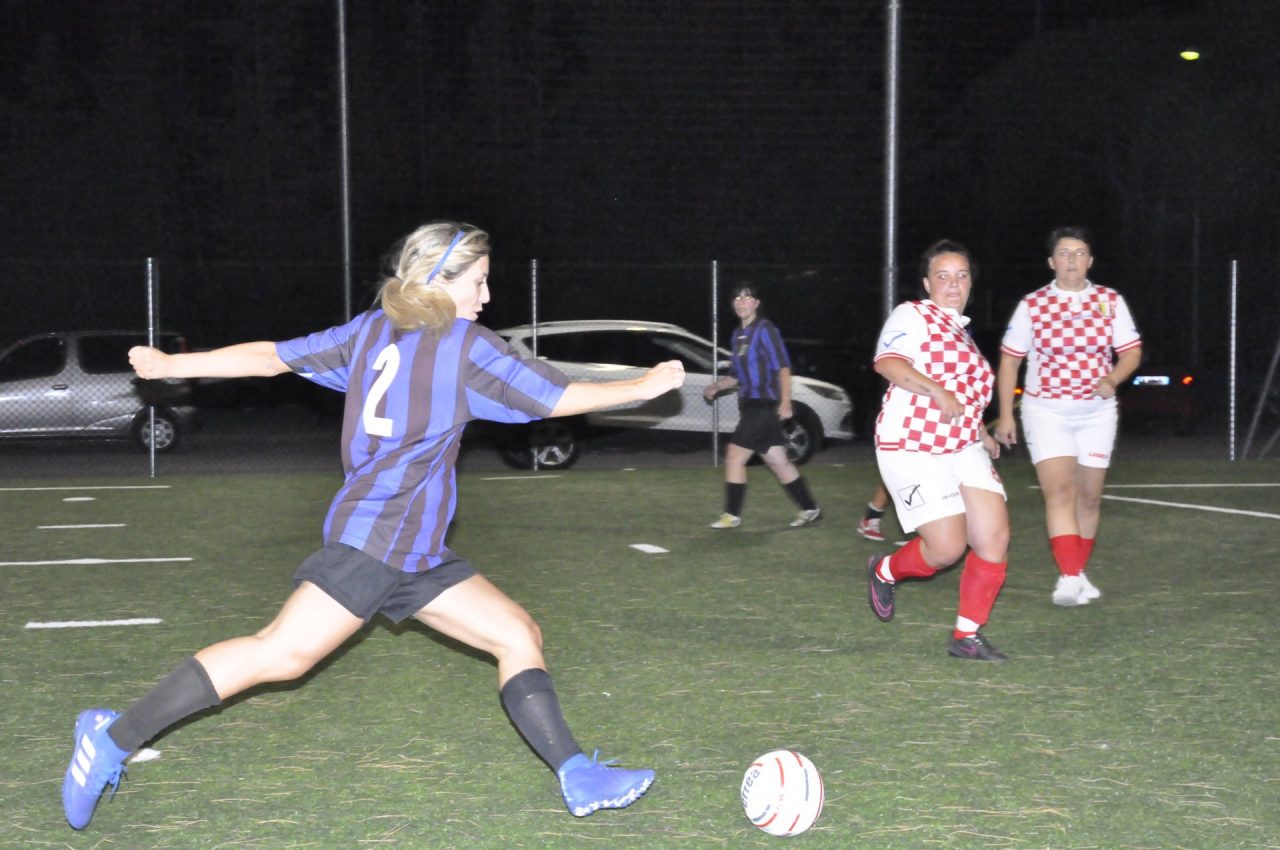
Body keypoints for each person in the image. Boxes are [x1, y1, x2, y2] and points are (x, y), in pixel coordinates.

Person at [61, 222, 686, 831]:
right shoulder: (464, 347)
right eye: (480, 281)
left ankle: (576, 773)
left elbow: (269, 358)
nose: (487, 297)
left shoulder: (371, 332)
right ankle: (111, 738)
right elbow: (554, 399)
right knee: (282, 653)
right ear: (441, 280)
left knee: (516, 632)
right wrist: (645, 385)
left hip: (412, 546)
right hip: (382, 535)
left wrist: (175, 365)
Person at [865, 240, 1010, 661]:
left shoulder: (961, 333)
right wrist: (937, 390)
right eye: (943, 276)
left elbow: (965, 396)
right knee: (947, 549)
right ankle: (884, 569)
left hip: (962, 445)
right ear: (928, 283)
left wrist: (981, 431)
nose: (953, 284)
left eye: (961, 275)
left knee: (993, 537)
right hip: (912, 444)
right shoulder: (912, 314)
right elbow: (887, 363)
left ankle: (966, 635)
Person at [993, 226, 1141, 607]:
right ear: (1051, 261)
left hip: (1097, 414)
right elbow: (1010, 360)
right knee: (1060, 492)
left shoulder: (1110, 300)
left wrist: (1114, 378)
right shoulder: (1033, 304)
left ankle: (1075, 572)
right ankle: (1071, 576)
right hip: (1046, 411)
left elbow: (1131, 353)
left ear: (1090, 260)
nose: (1072, 260)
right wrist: (1006, 415)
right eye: (1064, 253)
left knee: (1089, 499)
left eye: (1079, 253)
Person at [702, 282, 821, 529]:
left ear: (756, 303)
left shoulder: (765, 330)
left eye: (747, 297)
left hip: (764, 405)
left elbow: (783, 368)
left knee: (734, 456)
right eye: (737, 297)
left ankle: (731, 515)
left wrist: (786, 402)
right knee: (778, 461)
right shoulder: (737, 336)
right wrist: (716, 386)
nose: (741, 301)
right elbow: (735, 375)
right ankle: (810, 508)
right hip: (748, 405)